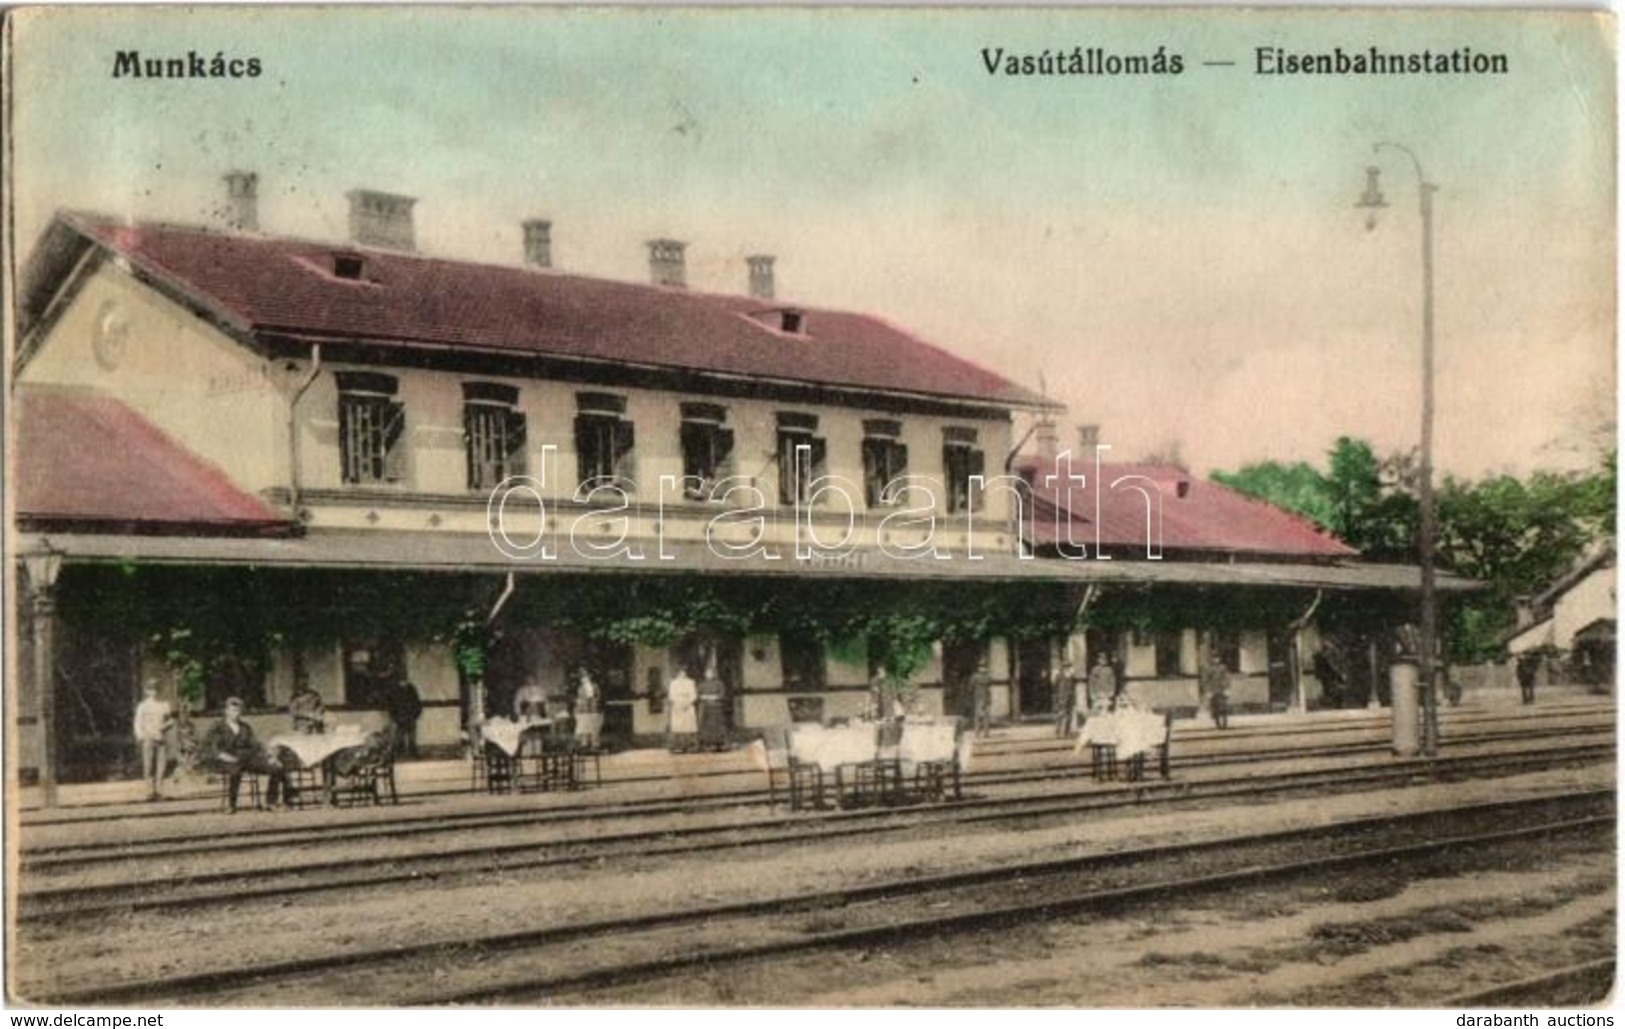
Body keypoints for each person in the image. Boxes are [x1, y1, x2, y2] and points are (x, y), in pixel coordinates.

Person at [201, 697, 288, 811]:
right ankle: (231, 805)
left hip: (247, 758)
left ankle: (271, 802)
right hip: (226, 759)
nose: (236, 714)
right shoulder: (218, 727)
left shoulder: (245, 727)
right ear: (226, 711)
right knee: (235, 772)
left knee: (276, 768)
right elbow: (211, 746)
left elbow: (256, 745)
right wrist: (224, 756)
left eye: (238, 711)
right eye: (233, 710)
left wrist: (269, 756)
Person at [132, 681, 174, 801]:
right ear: (146, 691)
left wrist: (164, 726)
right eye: (150, 690)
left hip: (161, 738)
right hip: (148, 738)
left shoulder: (164, 705)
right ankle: (149, 791)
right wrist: (140, 736)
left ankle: (160, 790)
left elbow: (170, 721)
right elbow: (137, 722)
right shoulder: (142, 706)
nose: (153, 692)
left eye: (155, 689)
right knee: (148, 765)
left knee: (161, 765)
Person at [696, 656, 729, 752]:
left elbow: (722, 694)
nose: (708, 675)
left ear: (713, 674)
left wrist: (714, 697)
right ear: (705, 674)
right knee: (706, 726)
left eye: (710, 673)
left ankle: (719, 744)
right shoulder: (701, 684)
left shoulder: (719, 684)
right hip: (705, 708)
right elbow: (698, 695)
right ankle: (707, 744)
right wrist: (703, 697)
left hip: (716, 708)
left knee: (716, 726)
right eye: (707, 673)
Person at [387, 680, 423, 758]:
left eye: (404, 682)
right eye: (402, 681)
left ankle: (412, 751)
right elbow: (391, 706)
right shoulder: (395, 691)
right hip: (400, 717)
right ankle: (396, 752)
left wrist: (415, 715)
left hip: (410, 716)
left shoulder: (411, 690)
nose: (403, 683)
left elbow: (417, 703)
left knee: (411, 735)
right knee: (398, 736)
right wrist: (395, 717)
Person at [667, 666, 699, 752]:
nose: (682, 674)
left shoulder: (690, 682)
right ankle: (678, 746)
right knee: (678, 726)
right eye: (680, 672)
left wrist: (688, 703)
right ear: (677, 673)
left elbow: (694, 695)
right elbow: (671, 695)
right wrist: (678, 704)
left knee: (688, 726)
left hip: (688, 704)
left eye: (684, 672)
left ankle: (690, 746)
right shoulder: (673, 683)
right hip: (677, 705)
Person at [1200, 652, 1231, 729]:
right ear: (1212, 659)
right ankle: (1218, 723)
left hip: (1221, 689)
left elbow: (1226, 678)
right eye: (1214, 658)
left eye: (1217, 658)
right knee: (1215, 707)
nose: (1216, 660)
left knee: (1224, 707)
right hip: (1212, 689)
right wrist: (1207, 690)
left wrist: (1227, 688)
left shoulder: (1223, 667)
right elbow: (1205, 680)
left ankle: (1225, 723)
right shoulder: (1208, 668)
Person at [1053, 661, 1076, 738]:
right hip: (1062, 698)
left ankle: (1067, 732)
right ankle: (1058, 732)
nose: (1068, 668)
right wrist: (1057, 698)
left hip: (1070, 698)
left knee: (1069, 716)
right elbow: (1055, 688)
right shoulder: (1059, 676)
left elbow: (1073, 688)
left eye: (1069, 667)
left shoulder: (1072, 677)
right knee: (1060, 715)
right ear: (1063, 667)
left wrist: (1073, 698)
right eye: (1066, 667)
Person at [971, 663, 992, 738]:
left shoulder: (975, 677)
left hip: (980, 698)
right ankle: (985, 733)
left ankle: (978, 733)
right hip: (985, 698)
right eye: (982, 667)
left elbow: (971, 687)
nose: (983, 668)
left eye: (984, 667)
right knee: (985, 716)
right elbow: (989, 684)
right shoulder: (988, 677)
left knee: (979, 716)